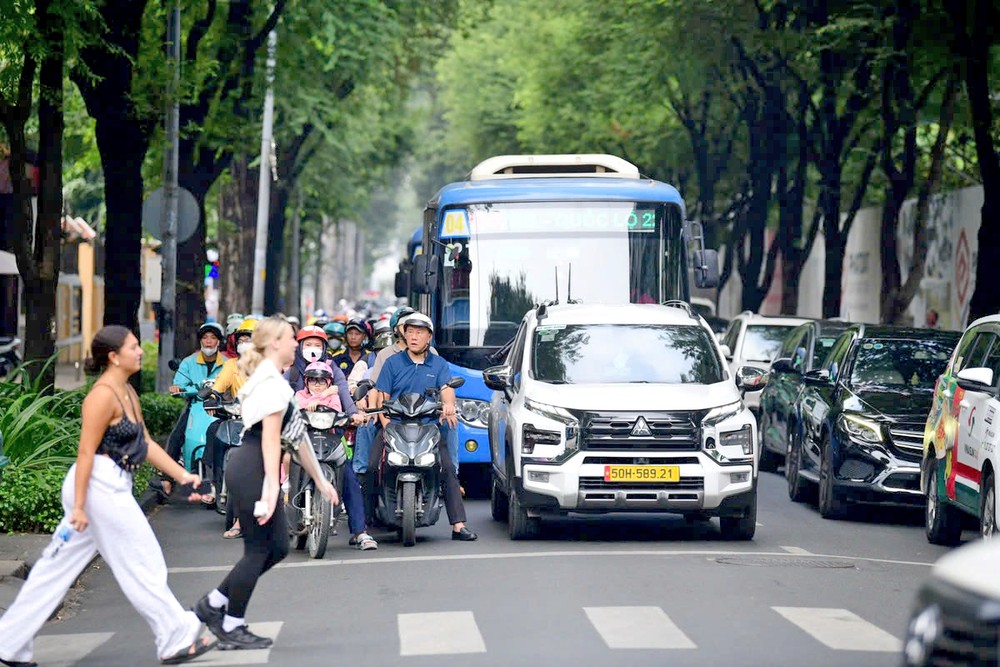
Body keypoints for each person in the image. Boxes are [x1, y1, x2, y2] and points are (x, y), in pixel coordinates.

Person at [0, 326, 215, 667]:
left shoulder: (126, 390)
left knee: (54, 569)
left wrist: (183, 475)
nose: (140, 351)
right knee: (143, 560)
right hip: (97, 488)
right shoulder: (100, 396)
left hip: (110, 485)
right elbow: (85, 452)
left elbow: (144, 443)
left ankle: (8, 643)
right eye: (133, 347)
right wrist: (79, 507)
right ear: (114, 357)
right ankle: (175, 636)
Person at [194, 316, 340, 650]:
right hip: (253, 467)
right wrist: (271, 488)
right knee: (259, 550)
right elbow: (271, 438)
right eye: (290, 338)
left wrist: (320, 480)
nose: (295, 344)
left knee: (277, 548)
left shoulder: (274, 378)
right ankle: (230, 623)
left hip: (254, 465)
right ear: (274, 343)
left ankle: (214, 605)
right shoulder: (271, 382)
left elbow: (297, 437)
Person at [372, 313, 477, 541]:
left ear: (429, 337)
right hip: (395, 425)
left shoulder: (438, 364)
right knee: (372, 467)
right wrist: (386, 425)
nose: (413, 336)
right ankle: (362, 527)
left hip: (427, 426)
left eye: (419, 332)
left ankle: (458, 525)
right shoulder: (392, 363)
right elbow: (382, 397)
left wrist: (448, 405)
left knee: (447, 468)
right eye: (410, 332)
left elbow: (447, 389)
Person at [295, 362, 378, 551]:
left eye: (322, 380)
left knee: (350, 479)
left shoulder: (334, 397)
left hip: (331, 443)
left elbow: (341, 411)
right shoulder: (300, 395)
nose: (317, 384)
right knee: (286, 473)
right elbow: (295, 407)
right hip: (304, 444)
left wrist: (353, 416)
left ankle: (360, 532)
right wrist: (317, 399)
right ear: (306, 382)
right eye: (313, 380)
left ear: (329, 382)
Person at [159, 322, 227, 498]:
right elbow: (179, 384)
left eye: (213, 338)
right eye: (205, 337)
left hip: (220, 408)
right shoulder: (189, 362)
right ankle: (166, 479)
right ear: (200, 341)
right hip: (195, 405)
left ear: (219, 342)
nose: (209, 341)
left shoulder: (228, 364)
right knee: (176, 437)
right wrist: (179, 389)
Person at [209, 318, 257, 539]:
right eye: (241, 339)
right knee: (215, 432)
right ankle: (216, 482)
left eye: (249, 339)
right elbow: (218, 387)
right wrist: (212, 397)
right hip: (238, 417)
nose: (244, 343)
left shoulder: (268, 365)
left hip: (264, 421)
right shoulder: (231, 365)